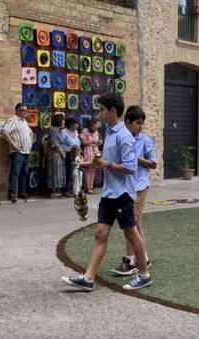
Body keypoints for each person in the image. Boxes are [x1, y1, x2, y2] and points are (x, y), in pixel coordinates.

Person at [62, 93, 152, 292]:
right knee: (100, 233)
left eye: (101, 109)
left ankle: (144, 274)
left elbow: (130, 168)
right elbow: (106, 162)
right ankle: (88, 278)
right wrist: (87, 164)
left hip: (122, 194)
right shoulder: (110, 132)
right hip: (109, 194)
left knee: (130, 232)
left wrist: (107, 164)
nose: (99, 113)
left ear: (112, 111)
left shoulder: (124, 136)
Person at [113, 105, 157, 276]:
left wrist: (137, 159)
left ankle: (138, 259)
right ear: (128, 122)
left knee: (133, 223)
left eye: (142, 123)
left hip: (139, 186)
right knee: (130, 224)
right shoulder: (121, 138)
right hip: (125, 187)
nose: (140, 127)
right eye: (138, 123)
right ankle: (135, 258)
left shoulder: (145, 140)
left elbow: (153, 164)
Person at [1, 103, 33, 203]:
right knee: (15, 173)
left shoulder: (24, 122)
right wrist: (13, 144)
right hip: (17, 152)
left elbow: (30, 134)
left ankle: (22, 193)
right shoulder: (13, 120)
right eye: (24, 110)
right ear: (18, 111)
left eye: (27, 111)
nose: (26, 112)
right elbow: (4, 131)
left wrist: (30, 144)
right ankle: (12, 194)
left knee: (24, 173)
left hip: (26, 152)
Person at [44, 113, 68, 198]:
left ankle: (58, 190)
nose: (64, 122)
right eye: (63, 120)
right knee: (54, 172)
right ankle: (53, 191)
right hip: (55, 154)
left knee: (59, 172)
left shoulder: (59, 130)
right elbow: (55, 144)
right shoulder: (53, 130)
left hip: (60, 153)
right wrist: (62, 154)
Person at [60, 117, 81, 198]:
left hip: (77, 154)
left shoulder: (76, 131)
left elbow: (77, 141)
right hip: (68, 154)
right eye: (76, 124)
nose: (77, 125)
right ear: (71, 124)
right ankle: (66, 190)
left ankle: (76, 189)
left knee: (76, 173)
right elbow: (61, 143)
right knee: (68, 172)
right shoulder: (64, 132)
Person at [80, 119, 102, 194]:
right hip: (88, 150)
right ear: (92, 124)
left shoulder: (96, 131)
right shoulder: (85, 130)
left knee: (94, 169)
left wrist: (99, 143)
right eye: (96, 125)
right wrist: (91, 142)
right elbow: (83, 143)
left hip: (95, 150)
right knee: (88, 168)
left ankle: (91, 186)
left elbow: (96, 142)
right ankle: (88, 186)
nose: (97, 127)